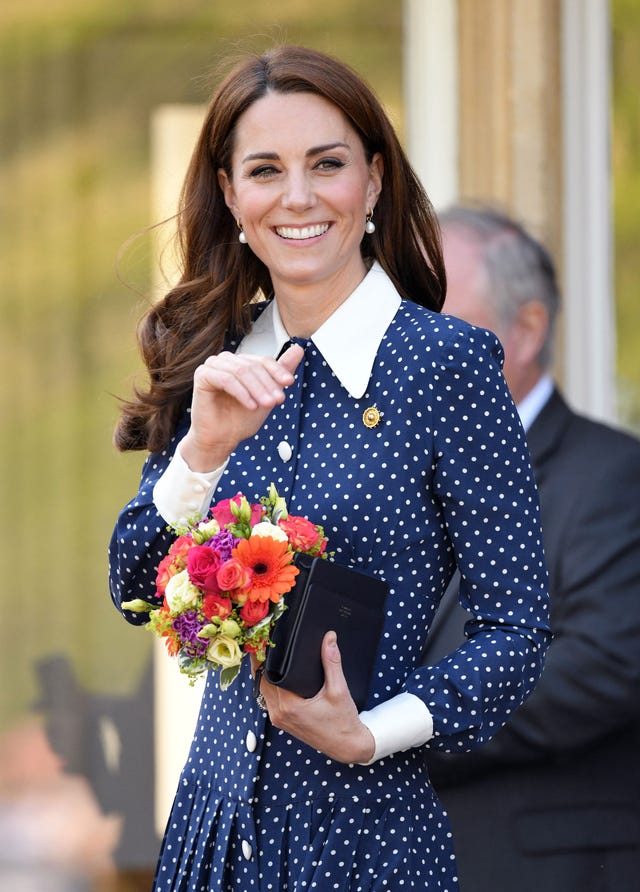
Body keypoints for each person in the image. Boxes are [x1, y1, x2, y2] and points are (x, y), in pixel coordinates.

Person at [108, 46, 551, 892]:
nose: (299, 197)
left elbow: (516, 629)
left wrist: (373, 732)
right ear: (232, 195)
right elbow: (133, 589)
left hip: (364, 842)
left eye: (328, 164)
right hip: (210, 838)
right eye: (266, 170)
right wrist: (201, 451)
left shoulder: (446, 366)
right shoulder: (214, 359)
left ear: (375, 182)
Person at [423, 204, 640, 891]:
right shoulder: (392, 478)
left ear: (528, 330)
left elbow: (606, 664)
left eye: (436, 317)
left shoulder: (613, 476)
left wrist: (404, 725)